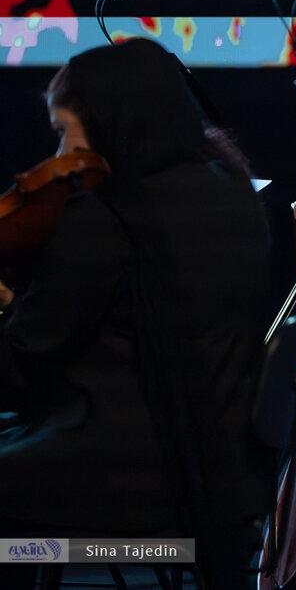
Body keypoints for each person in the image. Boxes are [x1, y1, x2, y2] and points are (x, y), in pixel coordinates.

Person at [0, 39, 277, 587]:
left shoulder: (106, 217)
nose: (61, 154)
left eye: (65, 131)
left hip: (123, 478)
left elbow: (21, 365)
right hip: (214, 476)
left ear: (109, 119)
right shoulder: (232, 193)